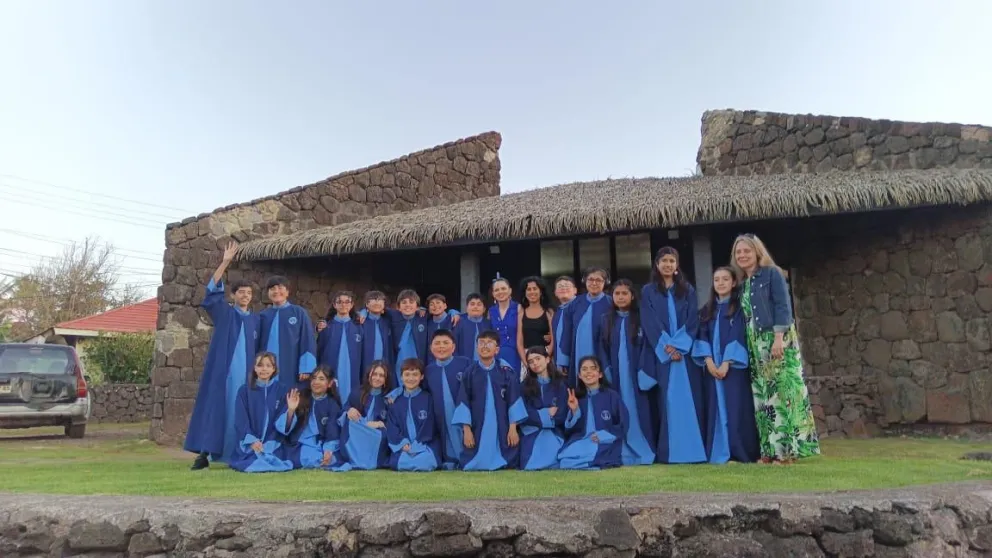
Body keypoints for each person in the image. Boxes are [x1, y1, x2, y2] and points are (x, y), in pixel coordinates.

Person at [731, 234, 820, 463]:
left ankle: (787, 451)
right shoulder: (744, 284)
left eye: (746, 251)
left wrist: (778, 338)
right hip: (755, 344)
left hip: (775, 339)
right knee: (763, 396)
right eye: (738, 252)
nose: (742, 255)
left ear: (757, 252)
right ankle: (770, 451)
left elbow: (782, 305)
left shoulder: (772, 274)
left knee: (783, 393)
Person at [185, 241, 260, 470]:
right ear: (234, 295)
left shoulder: (257, 320)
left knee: (242, 413)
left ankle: (240, 451)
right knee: (216, 409)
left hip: (247, 377)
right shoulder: (224, 313)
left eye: (249, 293)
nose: (245, 296)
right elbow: (210, 294)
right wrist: (225, 262)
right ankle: (205, 453)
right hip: (223, 373)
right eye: (241, 292)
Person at [639, 247, 708, 464]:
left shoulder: (687, 290)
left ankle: (695, 451)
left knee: (691, 401)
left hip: (685, 358)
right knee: (666, 402)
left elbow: (692, 320)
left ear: (677, 265)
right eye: (664, 261)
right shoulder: (648, 291)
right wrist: (667, 347)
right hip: (664, 357)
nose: (668, 264)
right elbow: (649, 320)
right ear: (657, 265)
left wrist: (679, 346)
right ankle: (670, 453)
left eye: (672, 261)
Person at [693, 267, 760, 464]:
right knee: (715, 408)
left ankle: (739, 452)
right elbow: (701, 334)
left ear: (733, 283)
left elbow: (737, 334)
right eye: (716, 280)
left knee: (736, 408)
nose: (720, 283)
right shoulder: (706, 310)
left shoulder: (739, 309)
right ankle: (719, 451)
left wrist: (727, 363)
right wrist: (709, 361)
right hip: (712, 370)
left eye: (725, 279)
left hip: (733, 369)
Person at [598, 279, 656, 466]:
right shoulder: (606, 320)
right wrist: (605, 371)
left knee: (640, 412)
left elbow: (648, 347)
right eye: (617, 293)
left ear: (632, 296)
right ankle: (621, 450)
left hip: (636, 377)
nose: (621, 297)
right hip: (615, 377)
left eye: (625, 293)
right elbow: (602, 348)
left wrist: (644, 372)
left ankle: (644, 450)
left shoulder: (642, 318)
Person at [452, 330, 528, 471]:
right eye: (481, 343)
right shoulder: (470, 372)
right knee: (472, 456)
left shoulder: (506, 371)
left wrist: (513, 428)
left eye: (489, 343)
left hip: (503, 424)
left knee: (508, 452)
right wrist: (466, 429)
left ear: (497, 349)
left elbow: (514, 399)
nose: (485, 346)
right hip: (477, 424)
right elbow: (463, 401)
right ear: (476, 348)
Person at [228, 352, 295, 473]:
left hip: (273, 442)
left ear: (274, 369)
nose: (264, 369)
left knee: (274, 459)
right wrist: (252, 441)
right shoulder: (244, 391)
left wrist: (291, 410)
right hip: (250, 443)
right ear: (254, 368)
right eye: (260, 365)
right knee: (251, 461)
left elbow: (282, 424)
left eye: (268, 365)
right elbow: (241, 420)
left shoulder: (282, 389)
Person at [558, 356, 627, 470]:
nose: (588, 372)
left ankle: (591, 464)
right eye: (584, 369)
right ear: (579, 375)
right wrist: (574, 410)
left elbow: (624, 423)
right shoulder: (578, 398)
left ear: (600, 374)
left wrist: (603, 435)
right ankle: (591, 464)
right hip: (583, 440)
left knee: (590, 456)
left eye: (592, 368)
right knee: (564, 459)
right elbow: (570, 430)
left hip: (605, 441)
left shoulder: (612, 396)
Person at [275, 366, 342, 470]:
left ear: (329, 383)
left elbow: (332, 431)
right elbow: (283, 428)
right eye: (314, 378)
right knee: (310, 458)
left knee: (331, 458)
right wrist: (291, 410)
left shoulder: (332, 404)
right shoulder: (300, 397)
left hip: (320, 444)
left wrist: (328, 450)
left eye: (321, 379)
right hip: (298, 444)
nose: (316, 382)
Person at [424, 330, 473, 470]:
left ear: (453, 347)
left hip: (464, 417)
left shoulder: (465, 363)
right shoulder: (429, 370)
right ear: (431, 348)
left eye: (446, 343)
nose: (441, 347)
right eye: (437, 343)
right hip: (440, 419)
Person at [258, 276, 317, 391]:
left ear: (287, 292)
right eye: (272, 289)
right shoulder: (263, 315)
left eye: (280, 288)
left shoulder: (299, 312)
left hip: (291, 365)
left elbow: (308, 339)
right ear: (268, 293)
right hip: (265, 369)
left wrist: (306, 368)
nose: (276, 291)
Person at [559, 268, 612, 388]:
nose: (594, 283)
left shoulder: (611, 303)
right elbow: (566, 332)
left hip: (602, 353)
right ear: (585, 281)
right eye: (591, 279)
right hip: (578, 352)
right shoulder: (575, 303)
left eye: (598, 280)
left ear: (605, 282)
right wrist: (564, 360)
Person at [386, 358, 441, 472]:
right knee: (400, 462)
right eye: (407, 375)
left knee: (427, 461)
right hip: (404, 447)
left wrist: (417, 445)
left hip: (424, 444)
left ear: (421, 377)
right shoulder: (395, 401)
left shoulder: (428, 398)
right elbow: (392, 426)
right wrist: (402, 443)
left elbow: (430, 425)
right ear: (401, 377)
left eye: (415, 374)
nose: (411, 378)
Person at [517, 346, 568, 470]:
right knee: (530, 463)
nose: (535, 363)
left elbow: (562, 413)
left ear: (547, 359)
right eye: (531, 361)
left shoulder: (560, 384)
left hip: (555, 431)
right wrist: (546, 413)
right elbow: (523, 413)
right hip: (531, 431)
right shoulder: (524, 386)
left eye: (538, 359)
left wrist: (540, 415)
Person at [335, 361, 392, 471]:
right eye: (374, 374)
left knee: (381, 434)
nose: (377, 378)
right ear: (369, 375)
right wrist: (349, 410)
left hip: (375, 434)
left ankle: (369, 460)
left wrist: (380, 424)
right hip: (358, 430)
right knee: (350, 423)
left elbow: (392, 422)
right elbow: (343, 412)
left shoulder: (389, 397)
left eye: (381, 375)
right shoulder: (357, 392)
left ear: (385, 380)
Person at [316, 291, 363, 405]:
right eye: (340, 302)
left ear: (352, 305)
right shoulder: (326, 327)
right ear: (334, 305)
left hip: (352, 375)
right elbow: (319, 352)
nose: (343, 305)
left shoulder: (359, 328)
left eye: (347, 302)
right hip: (330, 372)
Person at [516, 276, 554, 379]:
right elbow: (519, 342)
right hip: (527, 357)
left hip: (546, 357)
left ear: (541, 291)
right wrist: (527, 362)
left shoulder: (549, 312)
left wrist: (544, 359)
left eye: (535, 288)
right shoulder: (521, 313)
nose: (532, 292)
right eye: (529, 289)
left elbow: (554, 339)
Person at [488, 276, 521, 373]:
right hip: (496, 355)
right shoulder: (491, 311)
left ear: (510, 290)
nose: (500, 292)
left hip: (515, 354)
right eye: (497, 290)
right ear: (493, 294)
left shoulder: (519, 308)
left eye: (503, 288)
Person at [359, 291, 394, 374]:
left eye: (380, 300)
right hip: (365, 365)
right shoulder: (360, 321)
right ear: (367, 304)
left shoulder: (388, 321)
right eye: (373, 299)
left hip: (384, 365)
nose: (377, 302)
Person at [453, 293, 492, 362]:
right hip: (463, 365)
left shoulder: (489, 324)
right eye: (472, 304)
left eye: (479, 304)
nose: (475, 307)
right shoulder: (458, 322)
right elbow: (453, 346)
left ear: (484, 309)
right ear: (467, 308)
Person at [551, 275, 577, 375]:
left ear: (575, 290)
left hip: (577, 361)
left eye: (567, 285)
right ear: (555, 293)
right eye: (560, 286)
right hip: (560, 363)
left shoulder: (580, 308)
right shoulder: (557, 312)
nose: (563, 288)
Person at [425, 294, 454, 364]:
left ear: (445, 306)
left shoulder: (454, 319)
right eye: (432, 304)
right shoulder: (427, 323)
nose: (435, 306)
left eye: (438, 302)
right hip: (432, 363)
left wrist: (454, 312)